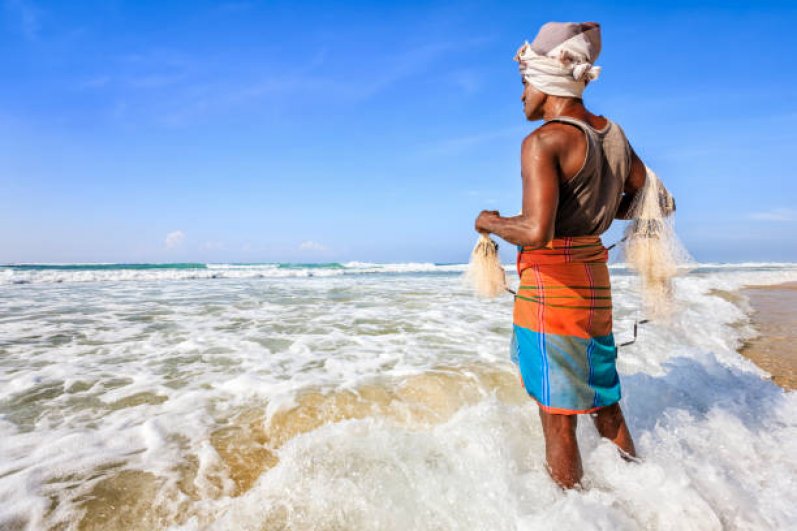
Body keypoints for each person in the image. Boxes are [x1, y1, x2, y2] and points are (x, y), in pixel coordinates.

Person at [475, 21, 654, 489]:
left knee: (558, 415)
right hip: (594, 286)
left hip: (552, 291)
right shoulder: (613, 135)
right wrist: (598, 208)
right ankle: (647, 493)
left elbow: (536, 232)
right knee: (603, 400)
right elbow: (648, 199)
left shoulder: (544, 141)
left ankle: (573, 513)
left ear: (545, 80)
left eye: (523, 84)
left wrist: (488, 222)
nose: (521, 97)